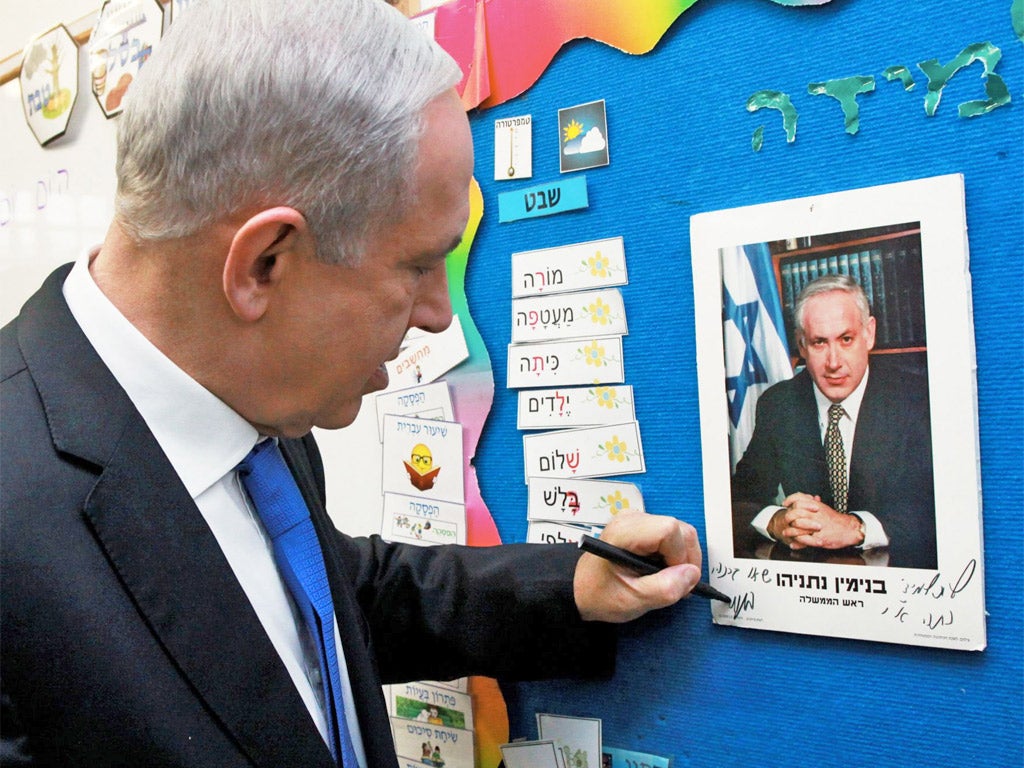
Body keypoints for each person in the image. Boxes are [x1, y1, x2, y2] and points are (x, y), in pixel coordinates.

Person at [0, 1, 704, 765]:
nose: (440, 314)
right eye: (416, 265)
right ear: (265, 262)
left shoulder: (253, 407)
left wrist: (569, 583)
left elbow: (320, 604)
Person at [730, 274, 937, 569]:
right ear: (802, 345)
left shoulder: (918, 400)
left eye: (846, 339)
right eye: (818, 343)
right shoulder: (779, 404)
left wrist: (855, 527)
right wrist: (777, 522)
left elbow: (938, 509)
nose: (834, 362)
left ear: (869, 334)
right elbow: (738, 498)